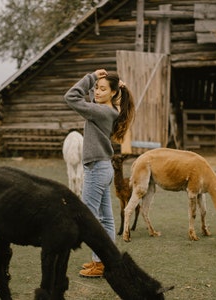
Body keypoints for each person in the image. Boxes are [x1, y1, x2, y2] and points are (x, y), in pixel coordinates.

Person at [64, 69, 135, 277]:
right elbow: (86, 101)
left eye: (103, 89)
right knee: (106, 219)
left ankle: (101, 262)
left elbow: (71, 97)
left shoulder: (101, 112)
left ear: (113, 93)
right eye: (96, 88)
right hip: (103, 167)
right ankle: (105, 261)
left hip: (97, 169)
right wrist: (95, 82)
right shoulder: (108, 110)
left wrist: (91, 77)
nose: (97, 91)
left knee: (89, 219)